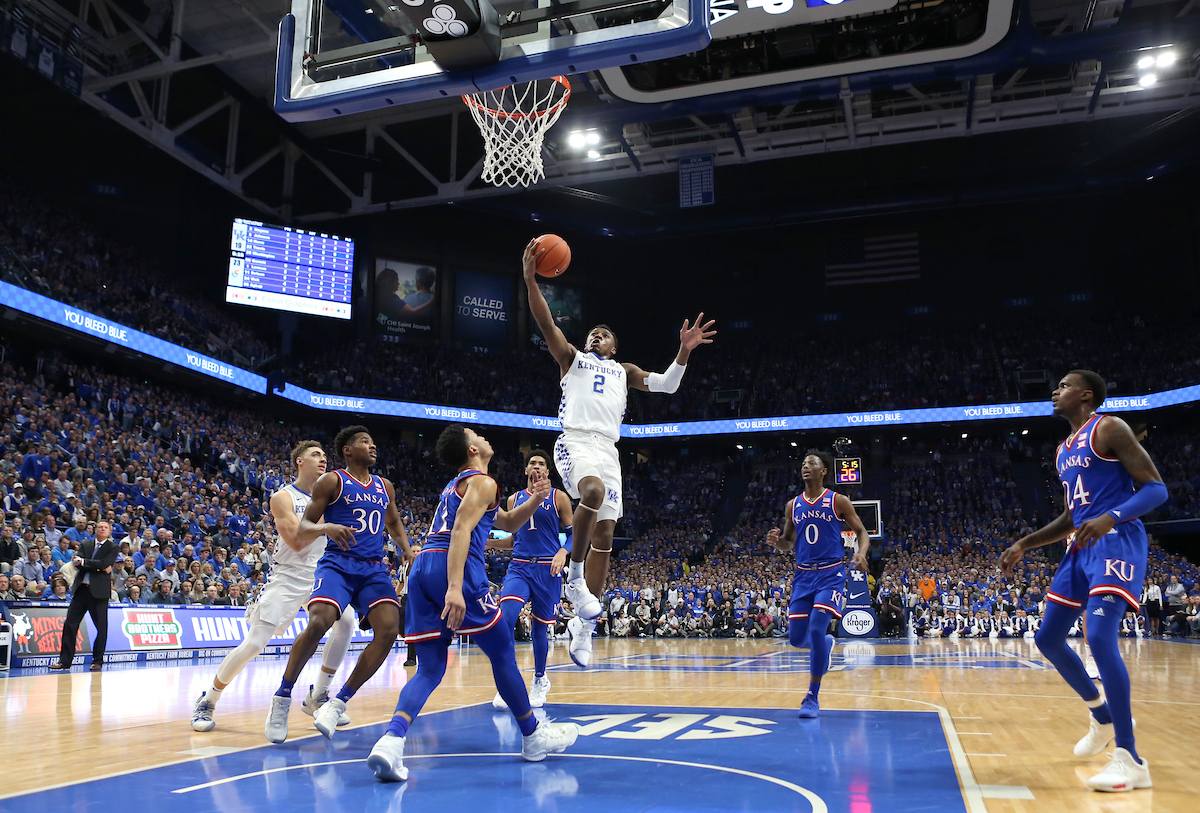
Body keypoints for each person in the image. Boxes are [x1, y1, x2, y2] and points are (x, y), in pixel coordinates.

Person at [522, 237, 716, 667]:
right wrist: (530, 279)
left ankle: (583, 626)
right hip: (574, 440)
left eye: (605, 334)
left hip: (608, 450)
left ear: (614, 347)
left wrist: (683, 351)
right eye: (594, 331)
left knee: (605, 535)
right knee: (590, 493)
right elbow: (546, 322)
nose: (597, 334)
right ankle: (574, 581)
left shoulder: (624, 371)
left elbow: (666, 385)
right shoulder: (571, 358)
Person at [365, 424, 578, 782]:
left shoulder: (460, 485)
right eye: (476, 435)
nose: (484, 437)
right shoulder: (484, 482)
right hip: (455, 568)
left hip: (423, 570)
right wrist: (453, 587)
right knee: (502, 650)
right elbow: (462, 530)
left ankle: (391, 741)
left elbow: (508, 522)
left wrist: (537, 500)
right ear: (472, 450)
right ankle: (532, 736)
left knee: (430, 669)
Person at [1000, 370, 1167, 793]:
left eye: (1065, 385)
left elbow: (1156, 490)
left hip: (1116, 540)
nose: (1055, 390)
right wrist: (1025, 543)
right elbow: (1071, 517)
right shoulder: (1062, 449)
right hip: (1080, 546)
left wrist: (1111, 515)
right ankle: (1102, 715)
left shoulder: (1109, 427)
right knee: (1048, 638)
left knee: (1100, 638)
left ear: (1086, 395)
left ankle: (1130, 759)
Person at [192, 441, 358, 733]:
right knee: (255, 644)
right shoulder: (284, 497)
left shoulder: (332, 499)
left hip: (320, 574)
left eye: (324, 456)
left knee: (346, 621)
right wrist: (327, 523)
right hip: (288, 575)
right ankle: (209, 699)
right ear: (299, 462)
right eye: (315, 455)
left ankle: (317, 696)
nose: (322, 460)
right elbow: (296, 540)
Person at [265, 426, 415, 744]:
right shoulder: (332, 480)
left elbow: (393, 521)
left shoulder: (383, 486)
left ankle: (338, 702)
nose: (372, 445)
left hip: (373, 569)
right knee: (321, 620)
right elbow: (305, 524)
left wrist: (405, 547)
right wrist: (328, 526)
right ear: (347, 450)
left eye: (373, 441)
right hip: (337, 565)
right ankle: (282, 697)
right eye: (364, 441)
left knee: (389, 629)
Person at [767, 451, 870, 718]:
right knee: (797, 639)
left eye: (812, 463)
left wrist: (861, 553)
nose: (805, 466)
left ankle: (812, 697)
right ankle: (825, 644)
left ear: (824, 471)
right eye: (803, 463)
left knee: (815, 627)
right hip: (802, 576)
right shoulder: (793, 505)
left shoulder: (838, 500)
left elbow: (861, 531)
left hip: (831, 573)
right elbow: (789, 542)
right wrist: (778, 543)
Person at [487, 449, 573, 711]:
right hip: (520, 567)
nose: (536, 467)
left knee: (538, 629)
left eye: (541, 464)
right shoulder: (514, 499)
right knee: (505, 618)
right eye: (532, 463)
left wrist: (563, 551)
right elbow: (515, 538)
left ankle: (539, 678)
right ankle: (507, 684)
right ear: (526, 470)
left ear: (547, 472)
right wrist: (488, 542)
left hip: (548, 568)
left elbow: (572, 534)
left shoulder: (559, 497)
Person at [49, 520, 118, 672]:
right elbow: (77, 562)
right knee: (70, 625)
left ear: (109, 531)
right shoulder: (86, 544)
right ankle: (65, 661)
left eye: (105, 527)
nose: (102, 529)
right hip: (81, 590)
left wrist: (87, 562)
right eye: (100, 527)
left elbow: (104, 563)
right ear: (95, 529)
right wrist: (98, 567)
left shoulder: (112, 547)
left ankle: (97, 661)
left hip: (99, 593)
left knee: (101, 628)